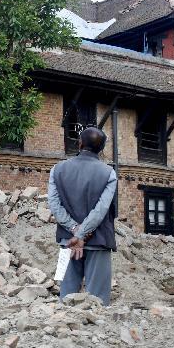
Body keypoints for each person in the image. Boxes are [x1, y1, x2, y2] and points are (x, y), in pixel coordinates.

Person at [47, 126, 117, 304]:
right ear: (101, 149)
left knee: (65, 298)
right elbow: (101, 210)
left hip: (66, 242)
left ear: (79, 144)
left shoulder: (57, 169)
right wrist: (82, 234)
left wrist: (74, 231)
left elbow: (54, 205)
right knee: (98, 303)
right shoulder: (109, 173)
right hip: (99, 242)